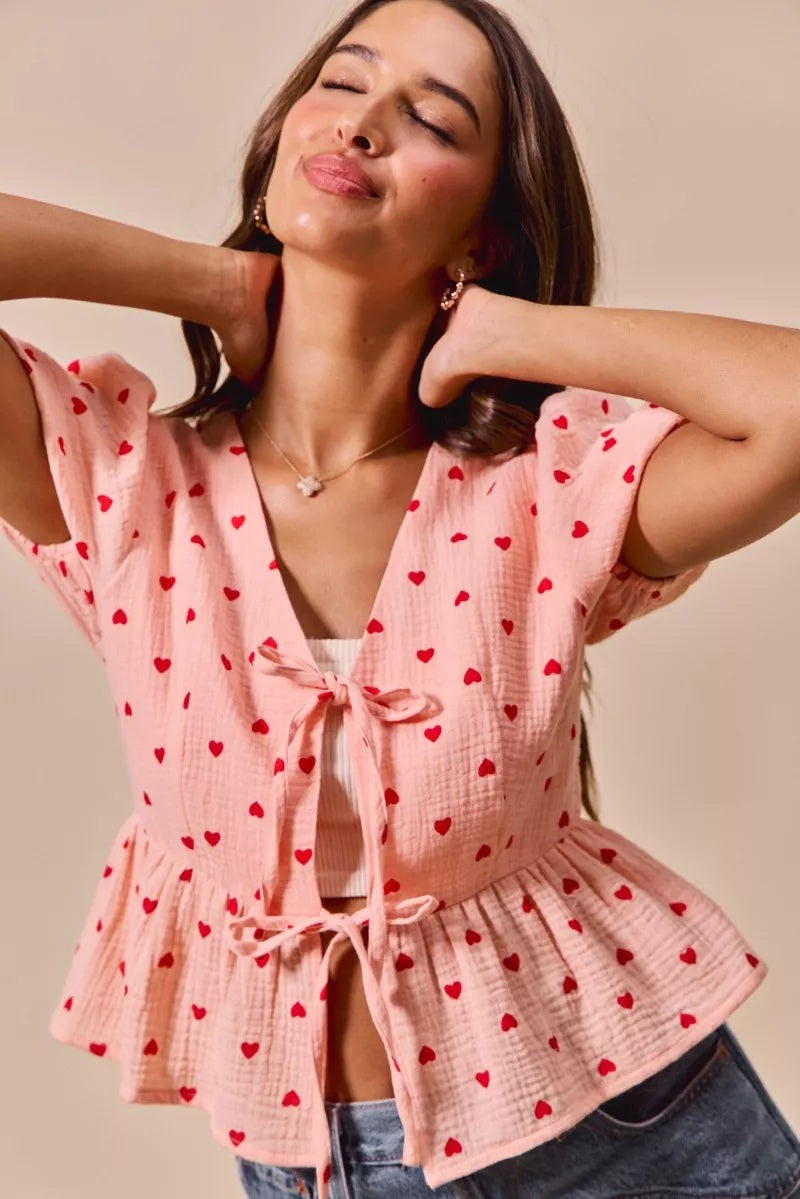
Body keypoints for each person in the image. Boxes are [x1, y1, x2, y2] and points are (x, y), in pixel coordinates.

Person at [1, 1, 799, 1197]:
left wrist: (510, 332)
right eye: (340, 83)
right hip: (319, 1156)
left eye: (431, 117)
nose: (365, 124)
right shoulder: (121, 485)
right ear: (281, 141)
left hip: (626, 1127)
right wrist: (211, 278)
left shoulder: (548, 493)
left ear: (477, 233)